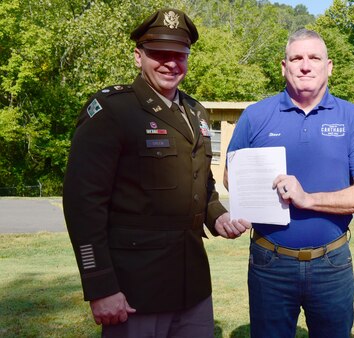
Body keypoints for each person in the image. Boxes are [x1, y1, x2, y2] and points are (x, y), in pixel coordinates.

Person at [63, 8, 249, 337]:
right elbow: (82, 203)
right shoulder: (113, 110)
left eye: (179, 54)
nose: (170, 63)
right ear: (138, 57)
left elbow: (202, 185)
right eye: (159, 54)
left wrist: (217, 216)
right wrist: (100, 286)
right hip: (134, 289)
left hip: (191, 285)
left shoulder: (196, 112)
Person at [225, 29, 354, 337]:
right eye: (296, 58)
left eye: (314, 58)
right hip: (269, 263)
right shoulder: (256, 116)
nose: (305, 65)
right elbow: (232, 176)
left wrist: (307, 198)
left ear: (329, 66)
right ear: (283, 67)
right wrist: (250, 195)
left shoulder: (353, 117)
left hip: (331, 263)